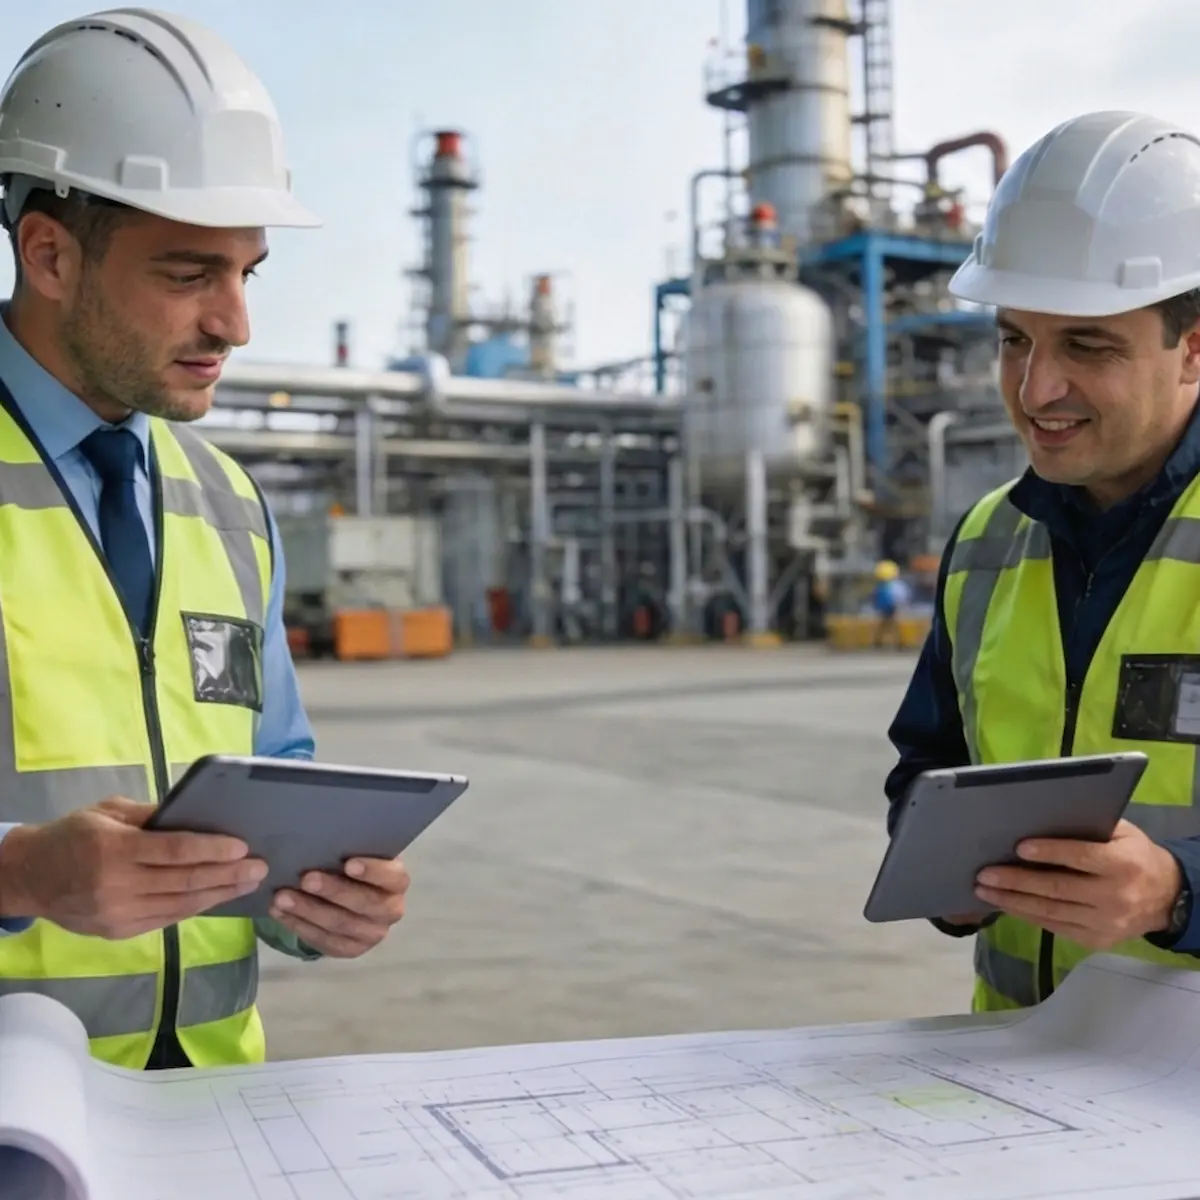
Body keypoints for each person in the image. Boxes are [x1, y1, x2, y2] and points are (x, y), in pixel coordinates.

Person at [0, 9, 410, 1071]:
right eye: (189, 275)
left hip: (215, 1109)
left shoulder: (227, 502)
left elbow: (276, 768)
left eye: (247, 273)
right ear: (49, 254)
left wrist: (318, 896)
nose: (235, 324)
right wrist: (21, 874)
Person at [884, 109, 1200, 1012]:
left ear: (1193, 349)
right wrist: (942, 866)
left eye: (1087, 346)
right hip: (1014, 1067)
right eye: (1015, 339)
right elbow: (928, 761)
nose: (1035, 390)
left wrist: (1178, 893)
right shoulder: (988, 540)